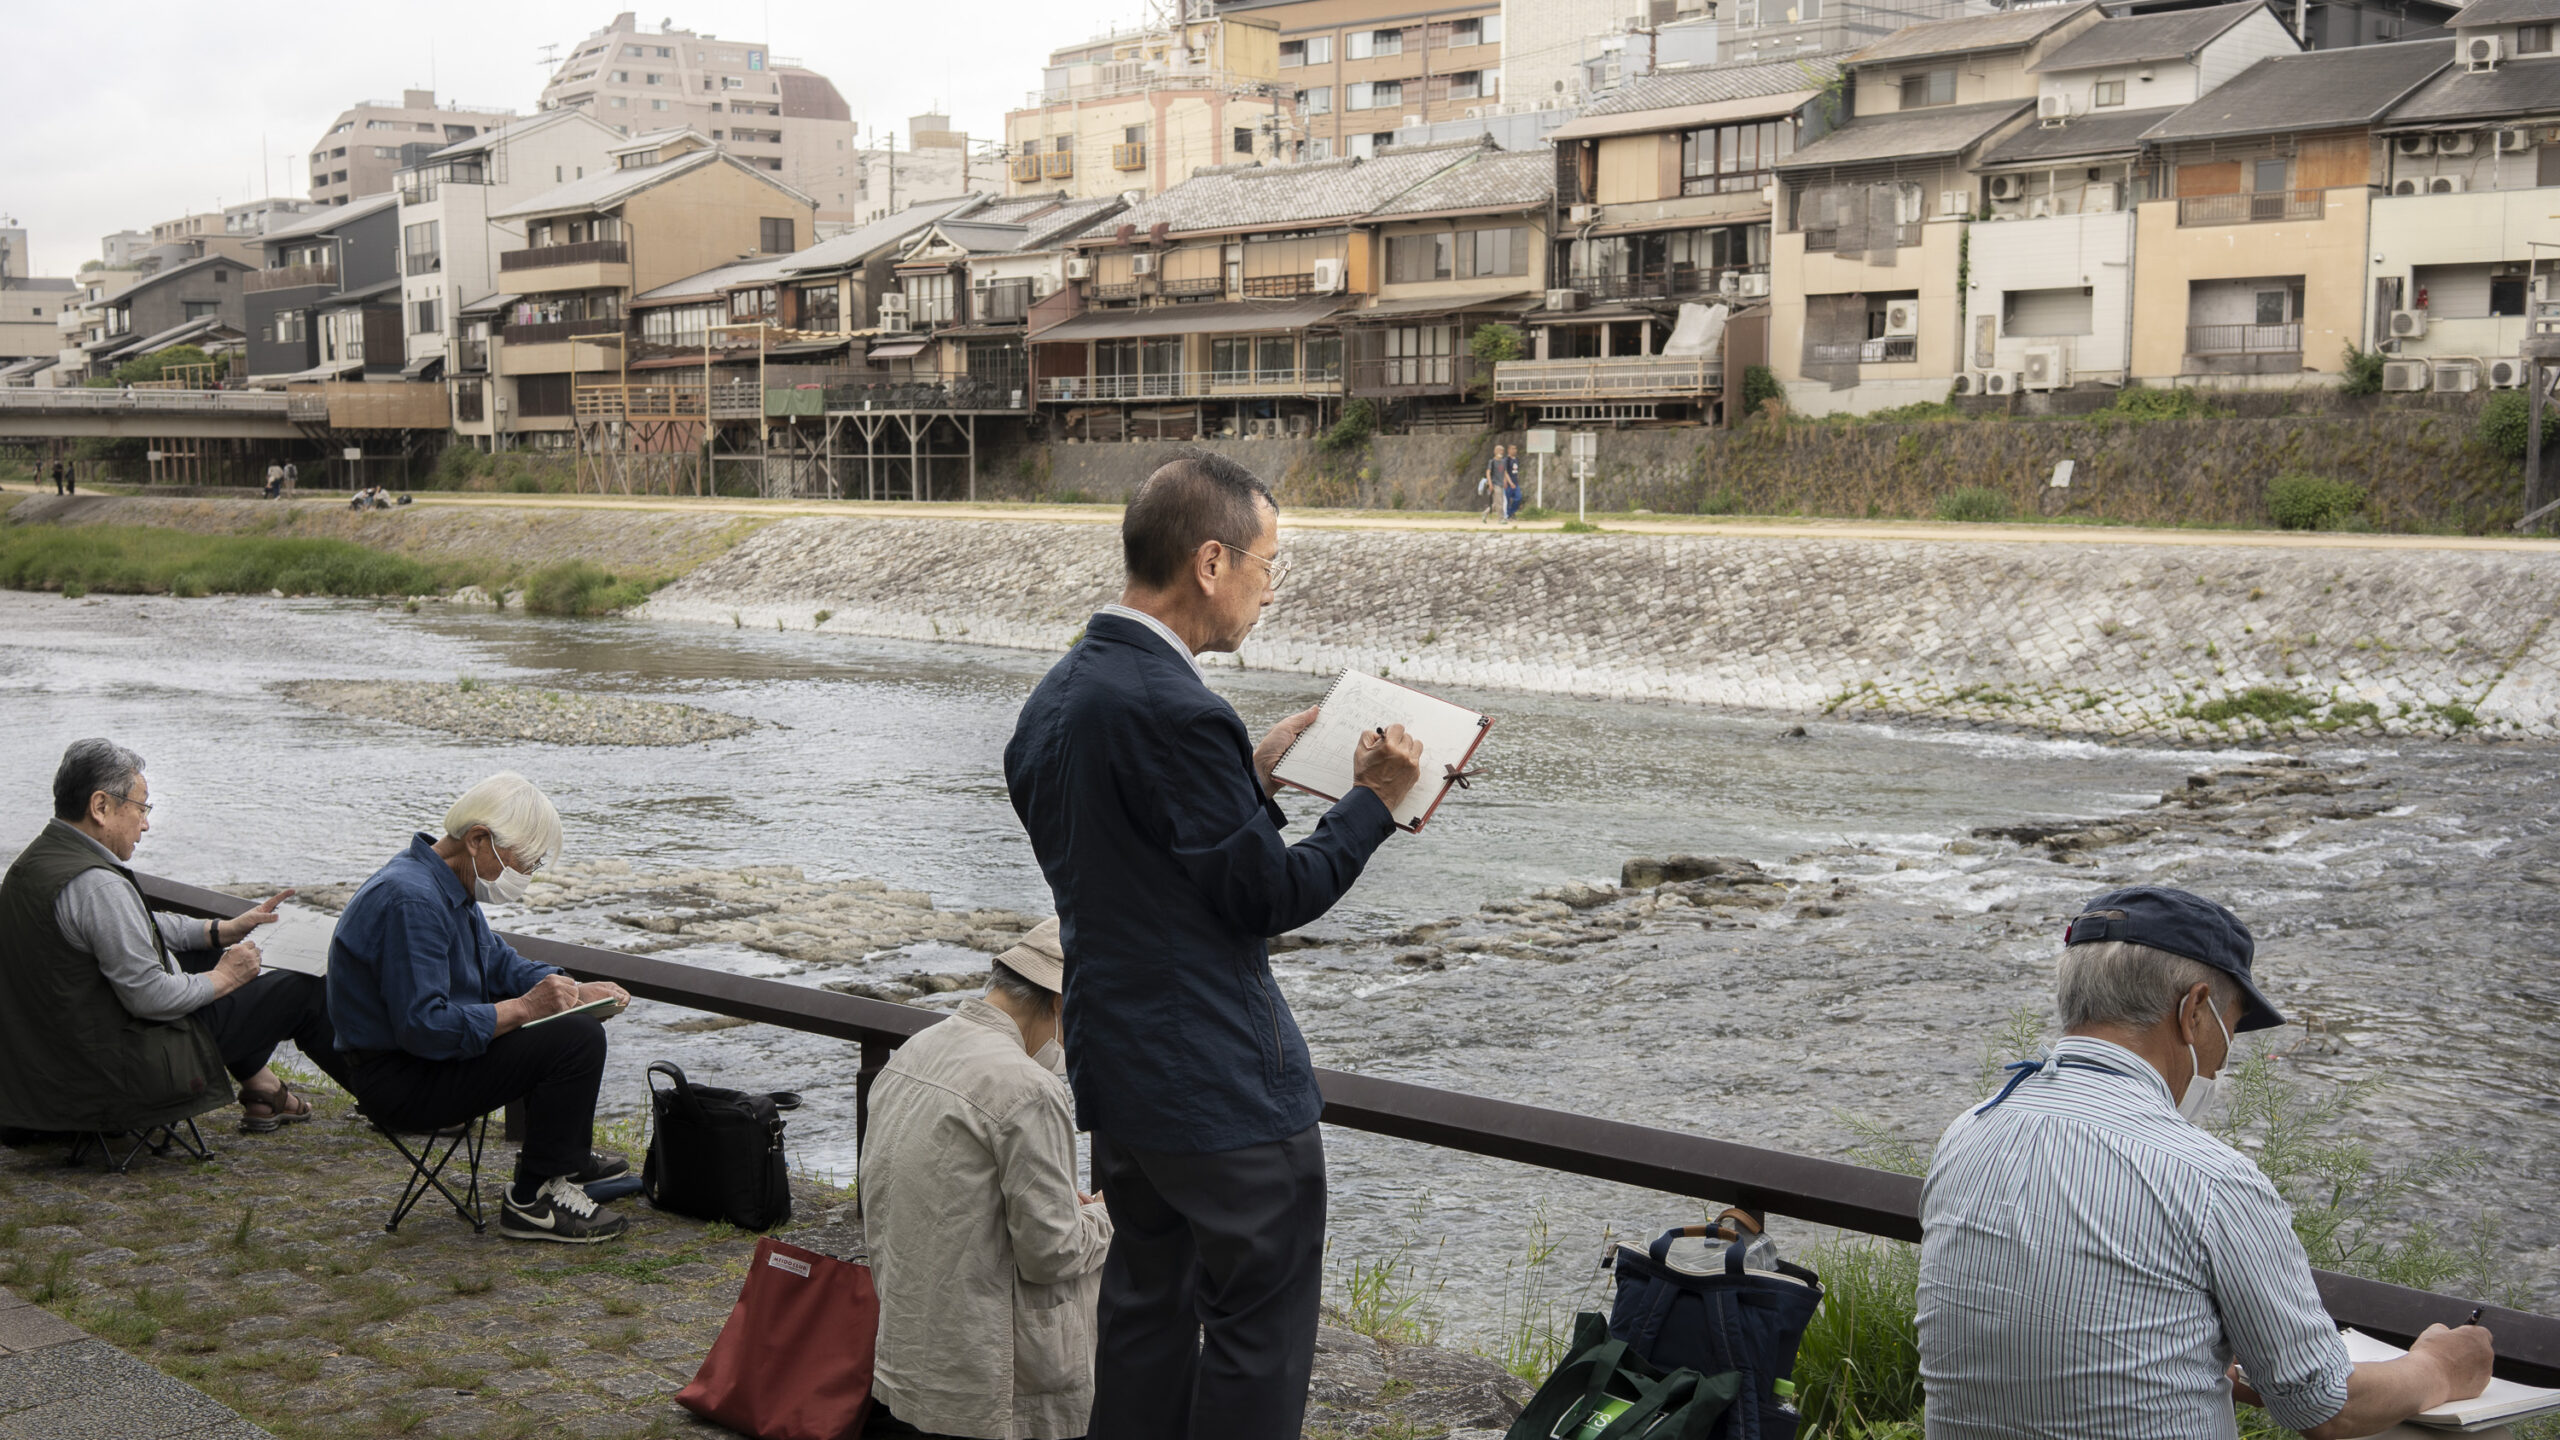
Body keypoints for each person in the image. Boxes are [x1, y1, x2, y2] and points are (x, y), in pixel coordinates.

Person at [1005, 452, 1424, 1440]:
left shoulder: (1058, 699)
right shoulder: (1178, 707)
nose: (1269, 589)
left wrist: (1252, 777)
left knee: (1145, 1314)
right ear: (1209, 561)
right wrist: (1373, 803)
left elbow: (1137, 861)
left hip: (1120, 1067)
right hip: (1223, 1086)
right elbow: (1269, 896)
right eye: (1265, 564)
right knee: (1257, 1329)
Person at [1917, 886, 2496, 1440]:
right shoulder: (2210, 1178)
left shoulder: (1970, 1131)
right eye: (2232, 1028)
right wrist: (2439, 1368)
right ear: (2194, 1010)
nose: (2221, 1059)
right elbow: (2326, 1409)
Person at [327, 772, 636, 1243]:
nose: (527, 876)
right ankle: (533, 1201)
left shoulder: (445, 884)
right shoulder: (412, 899)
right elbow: (425, 1027)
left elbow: (500, 965)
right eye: (525, 862)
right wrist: (525, 1009)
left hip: (422, 1062)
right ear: (478, 840)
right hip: (401, 1078)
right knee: (575, 1039)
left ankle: (563, 1162)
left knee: (571, 1023)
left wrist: (571, 990)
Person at [0, 740, 352, 1142]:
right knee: (300, 988)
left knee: (207, 957)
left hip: (48, 1071)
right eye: (140, 807)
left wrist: (218, 931)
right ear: (101, 807)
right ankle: (391, 1102)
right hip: (113, 1078)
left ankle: (264, 1088)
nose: (145, 824)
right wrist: (225, 978)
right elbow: (149, 996)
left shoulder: (35, 863)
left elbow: (134, 926)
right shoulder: (96, 885)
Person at [861, 919, 1112, 1439]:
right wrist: (1110, 1214)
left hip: (911, 1342)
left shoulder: (916, 1050)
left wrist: (1065, 1207)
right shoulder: (1028, 1087)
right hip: (991, 1371)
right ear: (1061, 1005)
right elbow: (1053, 1253)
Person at [1500, 445, 1524, 523]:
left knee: (1518, 497)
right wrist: (1508, 482)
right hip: (1508, 484)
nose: (1515, 450)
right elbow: (1505, 472)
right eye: (1513, 449)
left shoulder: (1516, 459)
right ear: (1509, 450)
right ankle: (1507, 515)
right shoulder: (1506, 460)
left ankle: (1511, 512)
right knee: (1506, 500)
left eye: (1515, 448)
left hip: (1515, 483)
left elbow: (1516, 472)